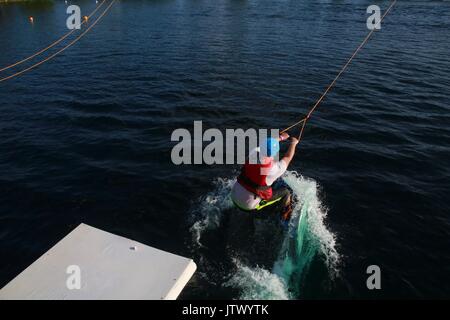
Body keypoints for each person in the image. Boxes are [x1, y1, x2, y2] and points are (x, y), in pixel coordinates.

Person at [231, 132, 299, 222]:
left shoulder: (254, 152)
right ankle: (284, 214)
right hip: (247, 206)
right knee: (286, 192)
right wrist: (293, 143)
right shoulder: (274, 169)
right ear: (275, 153)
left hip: (234, 195)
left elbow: (265, 146)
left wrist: (281, 137)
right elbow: (288, 157)